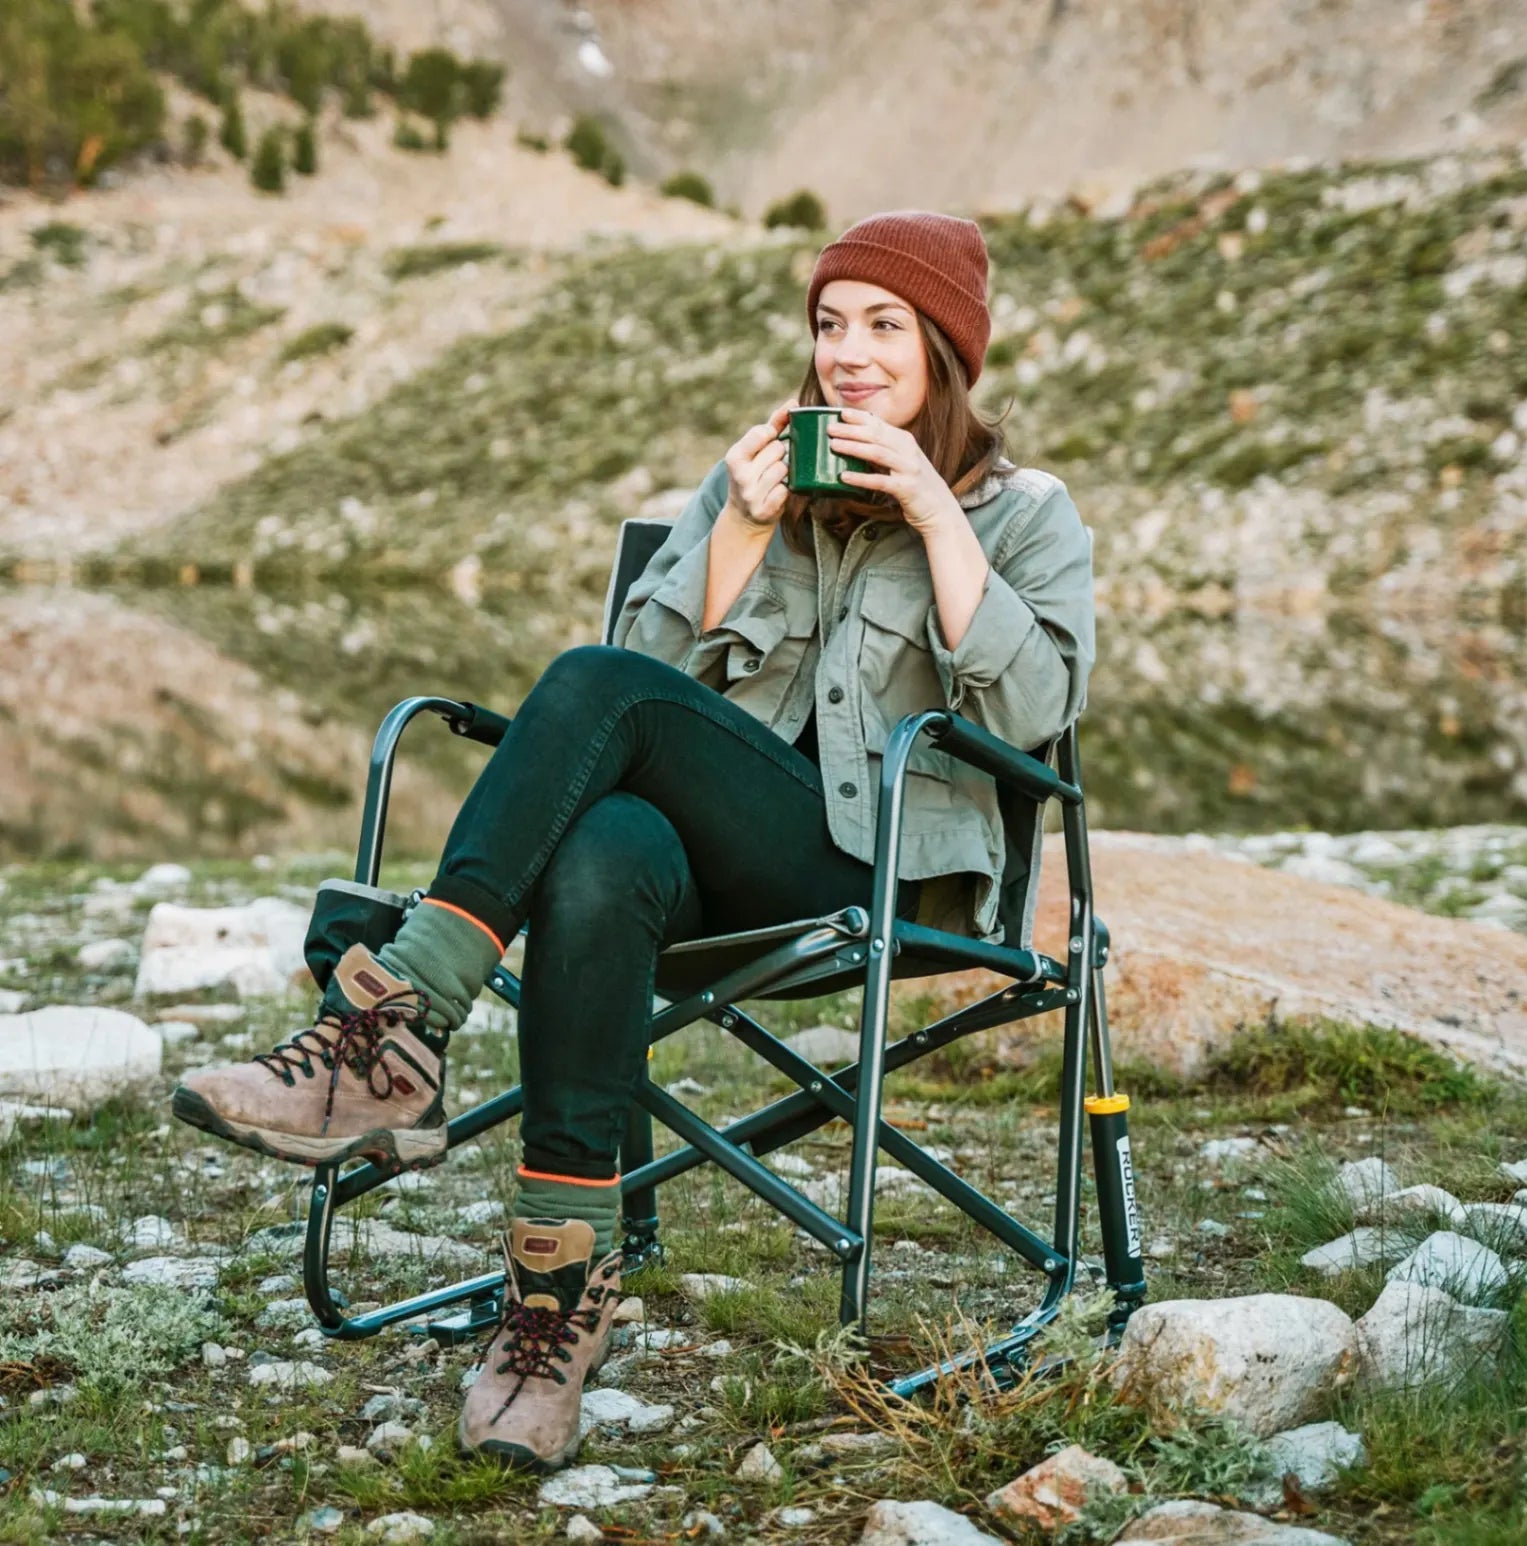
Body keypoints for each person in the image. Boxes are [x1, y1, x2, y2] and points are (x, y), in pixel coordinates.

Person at [170, 209, 1097, 1472]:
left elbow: (1035, 717)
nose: (847, 352)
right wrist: (740, 532)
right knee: (603, 840)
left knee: (594, 689)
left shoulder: (1022, 513)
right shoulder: (753, 487)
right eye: (829, 323)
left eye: (884, 325)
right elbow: (618, 705)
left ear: (946, 349)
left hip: (870, 872)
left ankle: (390, 1031)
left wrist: (939, 520)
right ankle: (554, 1298)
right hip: (704, 876)